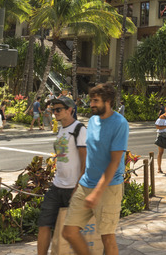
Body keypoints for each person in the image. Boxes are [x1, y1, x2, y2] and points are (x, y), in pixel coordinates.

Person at [62, 83, 129, 255]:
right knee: (68, 231)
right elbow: (91, 153)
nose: (91, 104)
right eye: (91, 100)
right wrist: (80, 180)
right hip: (86, 184)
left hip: (108, 188)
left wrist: (97, 192)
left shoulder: (120, 124)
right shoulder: (92, 121)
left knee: (107, 238)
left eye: (95, 101)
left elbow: (114, 162)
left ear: (107, 101)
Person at [37, 97, 87, 255]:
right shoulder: (61, 130)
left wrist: (78, 189)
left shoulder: (79, 129)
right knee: (44, 223)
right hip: (57, 185)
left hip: (72, 187)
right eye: (53, 110)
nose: (54, 112)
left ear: (69, 110)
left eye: (58, 109)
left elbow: (85, 163)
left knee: (75, 231)